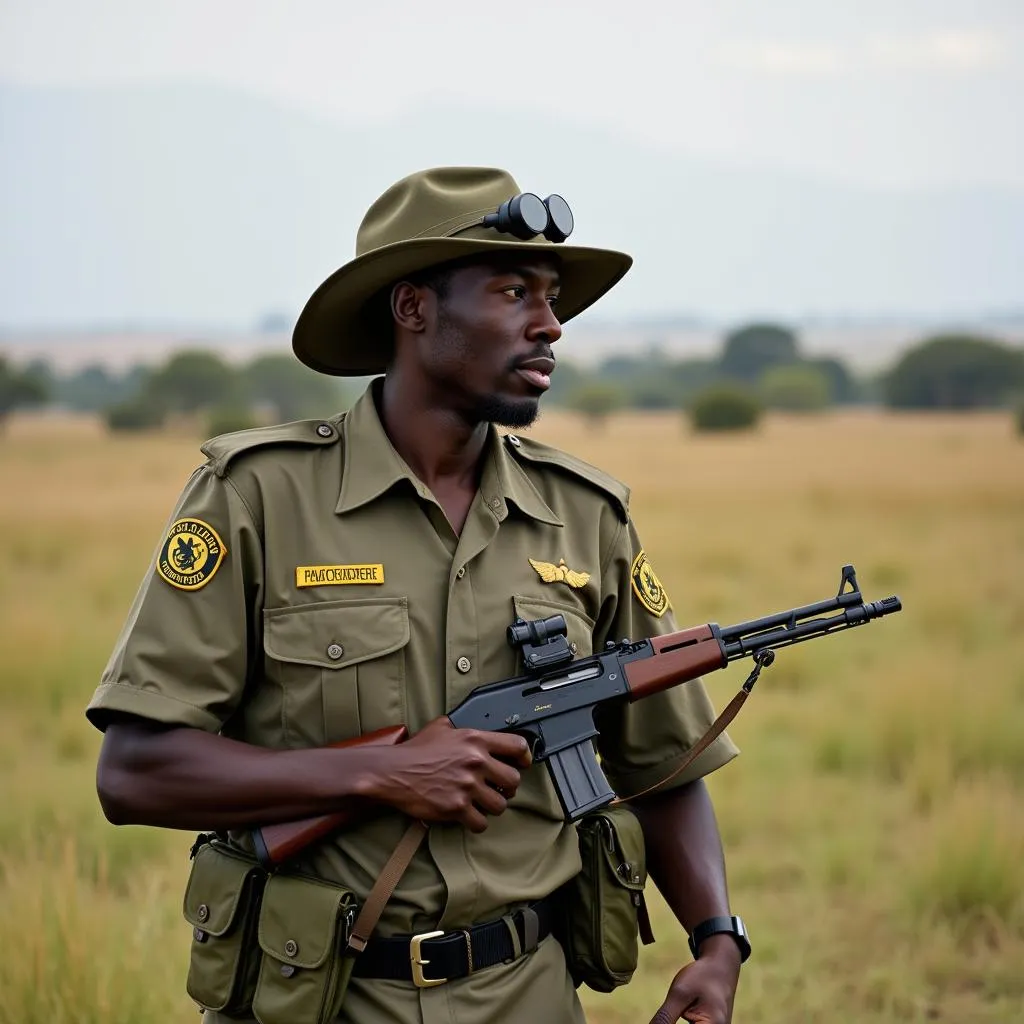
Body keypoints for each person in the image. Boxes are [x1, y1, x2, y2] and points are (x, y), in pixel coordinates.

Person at [87, 166, 747, 1024]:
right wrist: (383, 773)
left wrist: (717, 943)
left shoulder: (586, 516)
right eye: (514, 292)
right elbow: (136, 773)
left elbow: (663, 765)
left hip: (532, 994)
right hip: (320, 1000)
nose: (550, 325)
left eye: (552, 297)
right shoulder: (258, 497)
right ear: (413, 309)